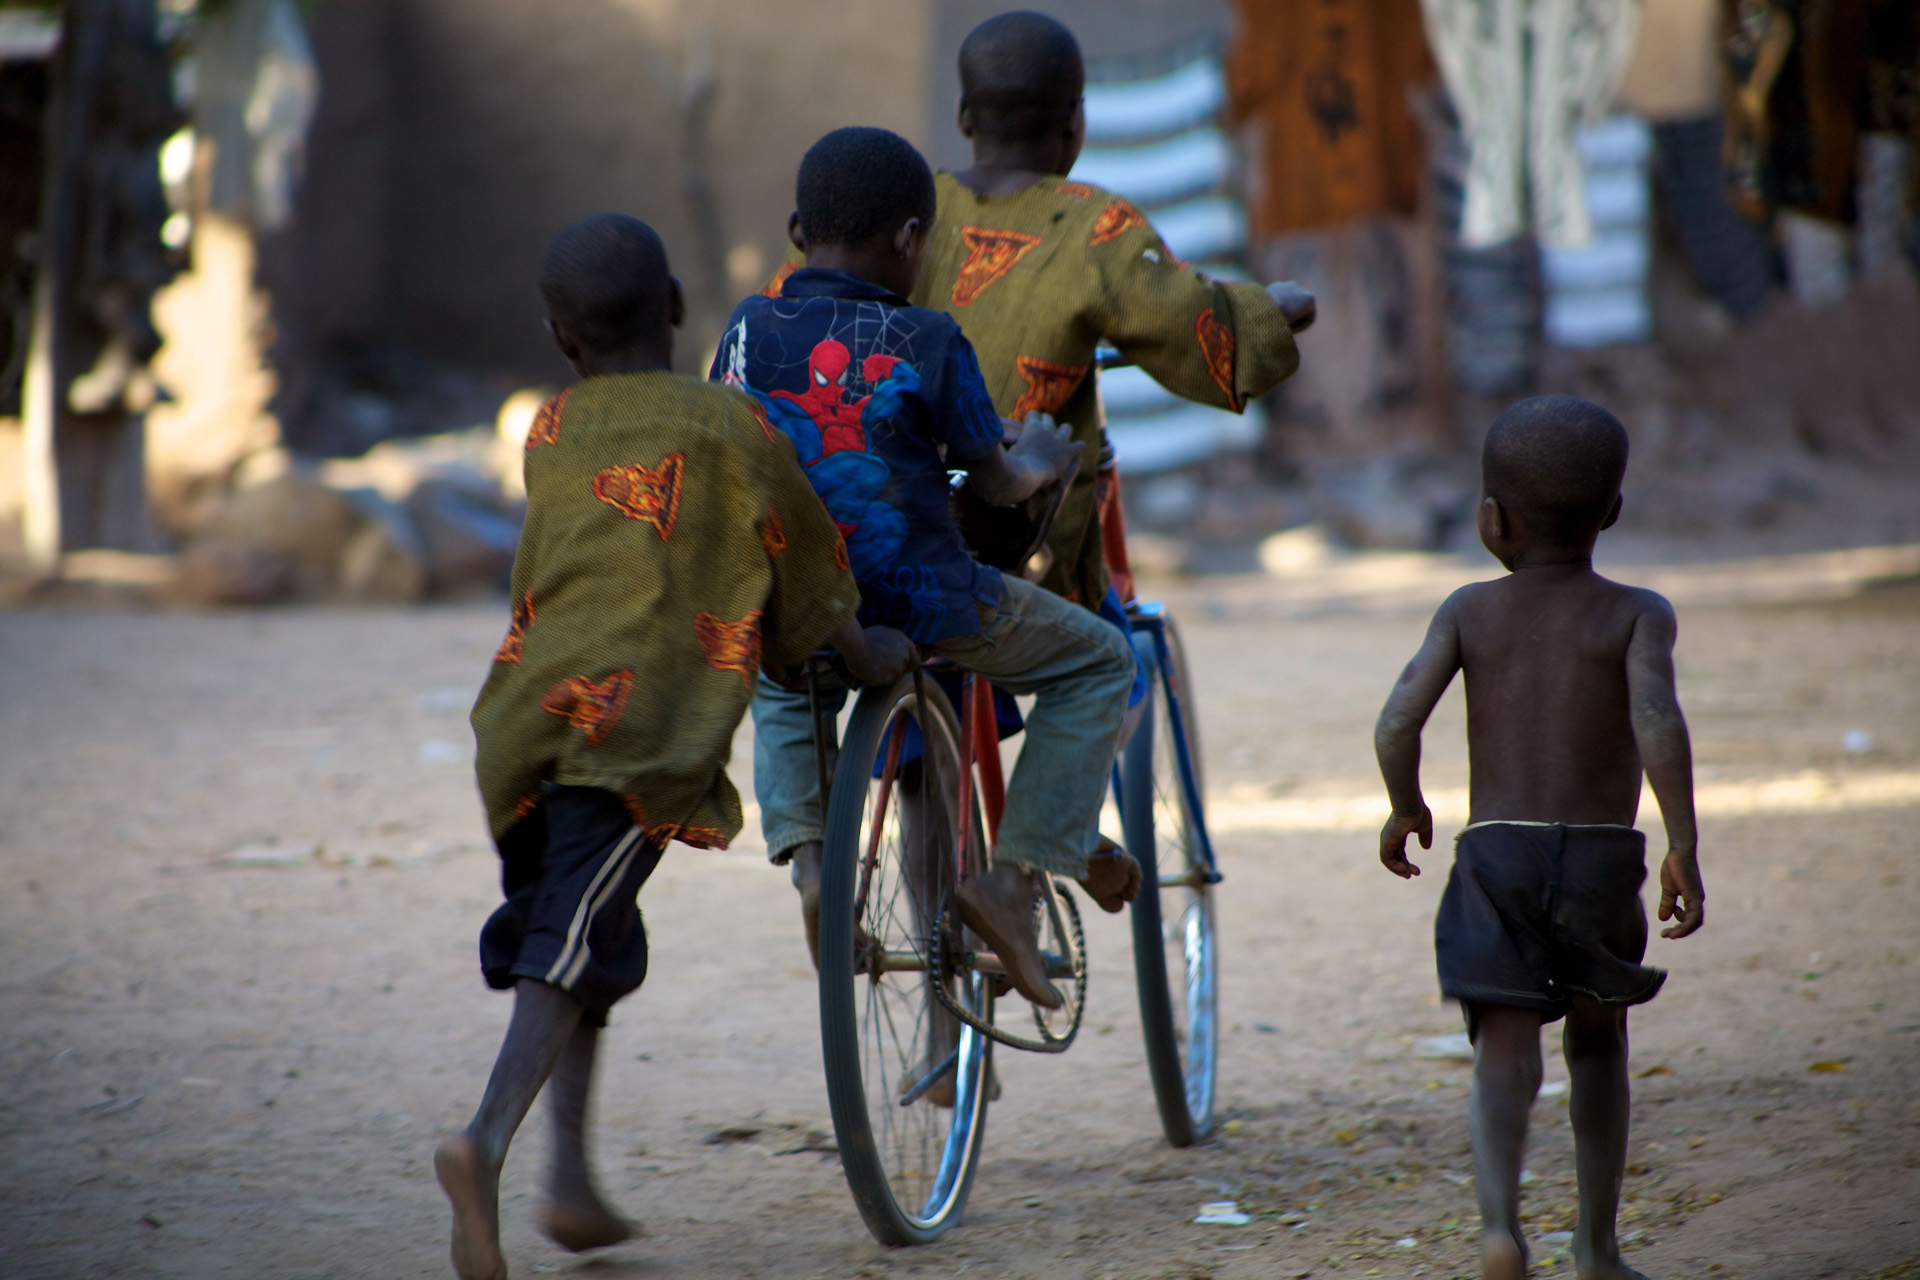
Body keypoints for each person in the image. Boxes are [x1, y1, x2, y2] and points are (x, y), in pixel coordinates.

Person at [436, 213, 913, 1280]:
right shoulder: (728, 425)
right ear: (678, 308)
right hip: (631, 733)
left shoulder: (550, 430)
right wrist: (859, 644)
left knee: (585, 931)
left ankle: (569, 1183)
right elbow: (799, 547)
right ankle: (486, 1140)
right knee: (567, 943)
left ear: (560, 338)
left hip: (519, 724)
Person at [712, 126, 1141, 1012]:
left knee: (784, 686)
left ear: (797, 229)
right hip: (924, 602)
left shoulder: (747, 331)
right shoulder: (929, 338)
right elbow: (997, 479)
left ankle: (811, 871)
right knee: (1100, 660)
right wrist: (1047, 452)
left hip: (802, 600)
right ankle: (1014, 885)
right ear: (911, 240)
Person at [764, 11, 1317, 613]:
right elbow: (1192, 321)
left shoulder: (906, 202)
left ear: (965, 116)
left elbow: (793, 306)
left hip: (854, 519)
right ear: (1075, 122)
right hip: (1007, 533)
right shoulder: (1097, 228)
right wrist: (1267, 311)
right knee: (1093, 660)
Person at [1372, 395, 1707, 1280]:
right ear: (1613, 511)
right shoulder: (1638, 613)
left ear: (1492, 517)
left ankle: (1497, 1234)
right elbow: (1657, 720)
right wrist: (1682, 843)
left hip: (1496, 858)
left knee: (1503, 1049)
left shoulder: (1468, 610)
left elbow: (1397, 721)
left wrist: (1406, 806)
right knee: (1598, 1044)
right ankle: (1596, 1248)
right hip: (1601, 858)